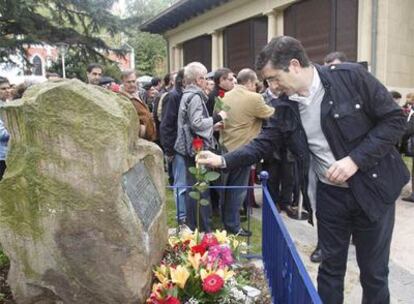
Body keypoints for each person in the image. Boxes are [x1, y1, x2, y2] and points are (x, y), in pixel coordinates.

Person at [198, 36, 409, 304]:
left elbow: (393, 121)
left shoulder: (352, 77)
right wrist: (222, 161)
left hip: (373, 189)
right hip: (331, 196)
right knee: (330, 269)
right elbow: (264, 143)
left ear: (295, 65)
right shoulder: (285, 106)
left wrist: (354, 160)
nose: (272, 88)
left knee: (374, 273)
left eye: (274, 79)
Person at [219, 68, 274, 236]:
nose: (256, 86)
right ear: (250, 82)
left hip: (224, 147)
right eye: (255, 83)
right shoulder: (255, 98)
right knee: (237, 191)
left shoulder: (224, 96)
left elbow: (219, 118)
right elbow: (271, 114)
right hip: (242, 150)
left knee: (225, 190)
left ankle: (226, 222)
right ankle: (233, 227)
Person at [174, 62, 227, 232]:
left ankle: (193, 225)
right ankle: (204, 228)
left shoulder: (188, 94)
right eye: (205, 78)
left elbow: (191, 123)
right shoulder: (195, 96)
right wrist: (218, 117)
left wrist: (211, 127)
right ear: (198, 79)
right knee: (200, 188)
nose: (207, 81)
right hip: (195, 149)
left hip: (189, 147)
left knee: (194, 187)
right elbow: (196, 124)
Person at [160, 69, 186, 223]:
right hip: (177, 147)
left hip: (185, 146)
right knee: (180, 183)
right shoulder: (173, 96)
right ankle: (181, 217)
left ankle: (186, 214)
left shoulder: (183, 95)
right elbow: (166, 125)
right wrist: (169, 149)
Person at [119, 70, 156, 141]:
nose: (132, 84)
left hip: (148, 139)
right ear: (123, 82)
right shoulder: (122, 98)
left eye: (133, 81)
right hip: (139, 141)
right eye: (128, 82)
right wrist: (142, 131)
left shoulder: (137, 94)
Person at [0, 77, 11, 180]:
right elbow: (1, 133)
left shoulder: (7, 105)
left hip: (8, 154)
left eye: (9, 88)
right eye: (3, 89)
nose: (7, 91)